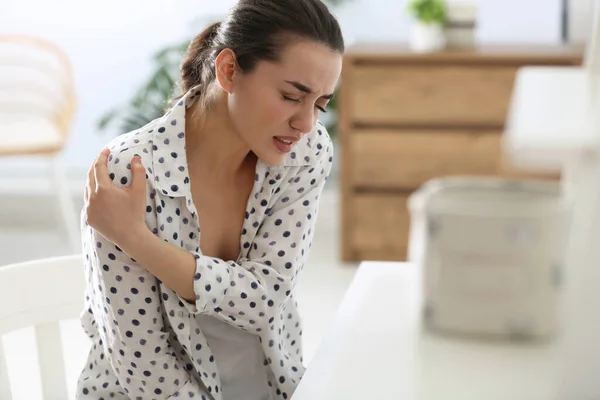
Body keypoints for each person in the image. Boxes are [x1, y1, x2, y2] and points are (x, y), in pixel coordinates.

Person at [76, 0, 344, 399]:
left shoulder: (304, 152)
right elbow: (142, 362)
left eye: (320, 104)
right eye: (291, 96)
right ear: (229, 70)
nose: (306, 123)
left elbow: (266, 300)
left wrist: (139, 242)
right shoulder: (127, 175)